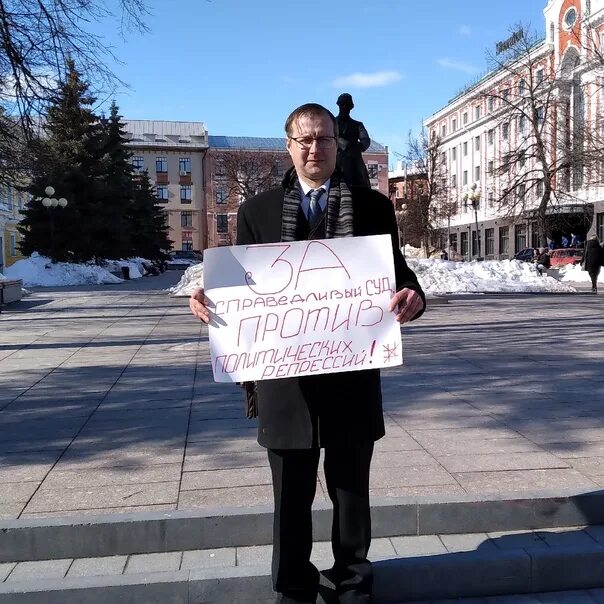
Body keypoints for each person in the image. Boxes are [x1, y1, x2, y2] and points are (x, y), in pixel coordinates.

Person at [189, 103, 425, 604]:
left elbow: (400, 275)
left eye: (323, 139)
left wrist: (414, 297)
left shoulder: (375, 208)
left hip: (351, 378)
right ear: (289, 146)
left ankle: (353, 584)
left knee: (350, 493)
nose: (314, 148)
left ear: (337, 145)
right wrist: (205, 296)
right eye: (304, 140)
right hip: (284, 384)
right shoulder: (257, 212)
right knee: (290, 497)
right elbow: (234, 283)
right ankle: (294, 588)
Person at [335, 93, 371, 188]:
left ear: (351, 107)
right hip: (336, 163)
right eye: (342, 104)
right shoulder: (332, 123)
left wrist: (354, 146)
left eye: (347, 104)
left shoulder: (357, 125)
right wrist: (344, 144)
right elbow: (330, 137)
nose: (344, 107)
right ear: (338, 105)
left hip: (354, 163)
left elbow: (365, 141)